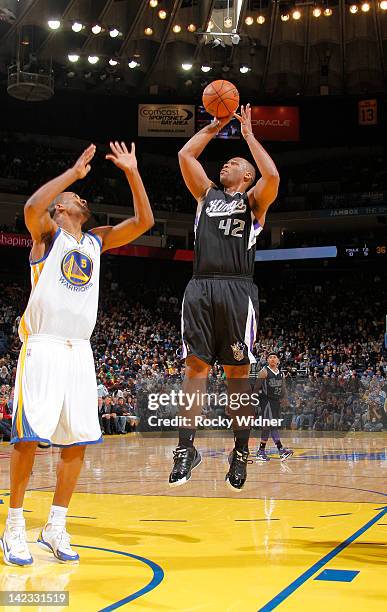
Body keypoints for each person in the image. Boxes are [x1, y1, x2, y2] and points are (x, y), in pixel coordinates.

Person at [1, 141, 153, 566]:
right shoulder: (45, 237)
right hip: (44, 346)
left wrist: (132, 171)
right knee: (29, 437)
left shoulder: (95, 241)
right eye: (72, 199)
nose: (80, 198)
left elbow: (145, 221)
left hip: (80, 351)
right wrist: (71, 174)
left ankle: (55, 525)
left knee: (76, 442)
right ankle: (13, 526)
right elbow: (33, 205)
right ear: (60, 209)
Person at [169, 104, 279, 489]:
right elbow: (186, 155)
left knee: (237, 377)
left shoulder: (254, 201)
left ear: (247, 174)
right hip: (200, 285)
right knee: (194, 371)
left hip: (238, 288)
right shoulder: (206, 195)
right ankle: (186, 448)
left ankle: (241, 451)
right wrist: (215, 126)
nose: (225, 166)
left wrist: (248, 135)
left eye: (233, 163)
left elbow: (273, 174)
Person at [255, 353, 293, 462]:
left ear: (278, 361)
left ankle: (279, 450)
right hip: (266, 401)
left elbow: (284, 387)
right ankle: (263, 451)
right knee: (268, 425)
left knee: (272, 426)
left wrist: (285, 399)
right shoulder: (264, 371)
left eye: (274, 357)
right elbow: (256, 387)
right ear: (267, 360)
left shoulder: (281, 374)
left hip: (276, 402)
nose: (272, 359)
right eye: (270, 357)